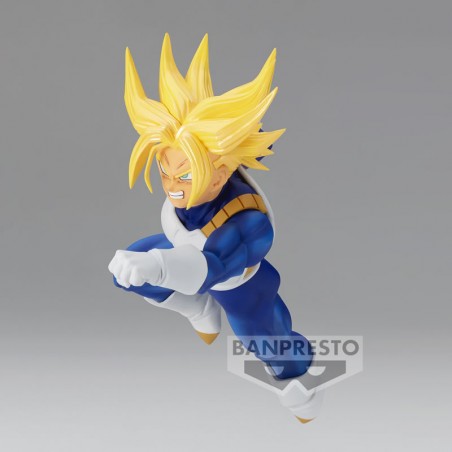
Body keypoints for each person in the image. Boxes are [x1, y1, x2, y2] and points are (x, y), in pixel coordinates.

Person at [108, 34, 323, 423]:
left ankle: (303, 390)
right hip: (185, 261)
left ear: (221, 172)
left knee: (273, 350)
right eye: (165, 172)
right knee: (126, 271)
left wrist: (158, 265)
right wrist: (152, 266)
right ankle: (198, 308)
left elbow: (212, 266)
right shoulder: (194, 185)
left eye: (185, 175)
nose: (172, 187)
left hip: (240, 288)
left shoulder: (248, 221)